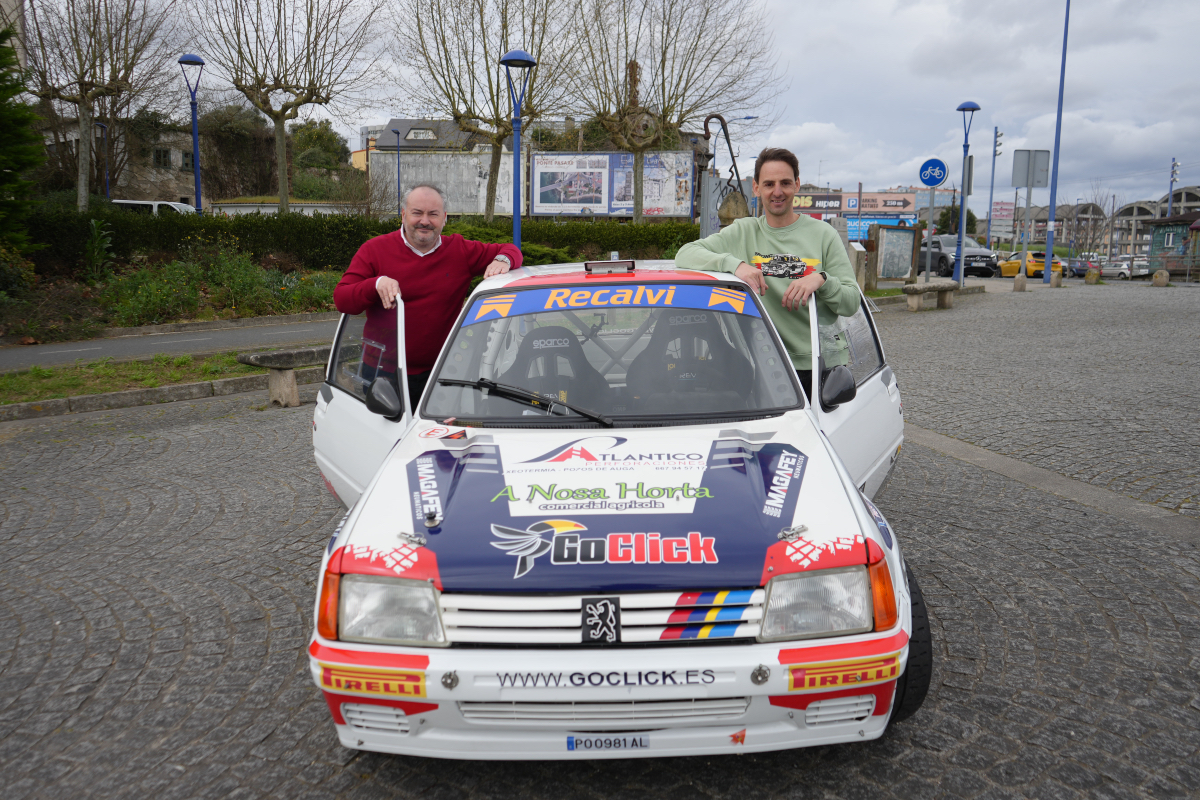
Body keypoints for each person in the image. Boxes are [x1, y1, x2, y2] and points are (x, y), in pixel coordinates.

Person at [675, 147, 860, 398]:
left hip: (818, 366)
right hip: (760, 365)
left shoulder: (823, 234)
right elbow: (685, 254)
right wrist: (735, 265)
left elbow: (850, 303)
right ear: (756, 188)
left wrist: (822, 279)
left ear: (796, 184)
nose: (777, 192)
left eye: (785, 183)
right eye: (769, 184)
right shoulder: (743, 232)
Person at [334, 183, 522, 407]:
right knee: (386, 439)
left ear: (444, 218)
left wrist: (502, 260)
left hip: (443, 371)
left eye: (433, 214)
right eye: (417, 213)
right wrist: (375, 284)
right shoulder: (373, 250)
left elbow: (511, 250)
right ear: (403, 215)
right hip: (383, 373)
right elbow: (342, 299)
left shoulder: (460, 251)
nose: (425, 221)